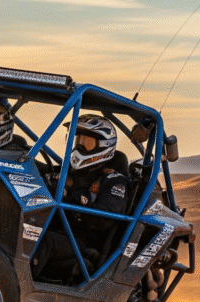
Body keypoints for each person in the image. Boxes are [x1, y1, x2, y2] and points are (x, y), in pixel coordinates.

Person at [32, 114, 128, 279]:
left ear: (104, 145)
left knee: (43, 241)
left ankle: (13, 286)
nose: (79, 148)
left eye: (87, 143)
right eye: (78, 142)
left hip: (79, 241)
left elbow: (105, 219)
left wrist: (76, 201)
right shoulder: (65, 172)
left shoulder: (113, 181)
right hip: (53, 228)